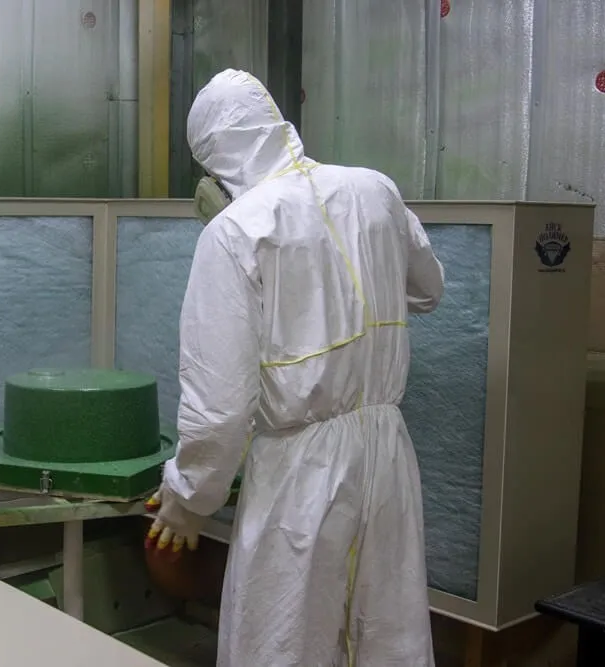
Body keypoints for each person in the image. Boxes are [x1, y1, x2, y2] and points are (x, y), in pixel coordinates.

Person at [144, 69, 445, 666]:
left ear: (213, 162)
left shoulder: (235, 231)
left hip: (300, 470)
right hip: (386, 451)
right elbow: (428, 289)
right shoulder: (375, 190)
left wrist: (188, 499)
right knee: (386, 633)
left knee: (283, 639)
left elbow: (220, 409)